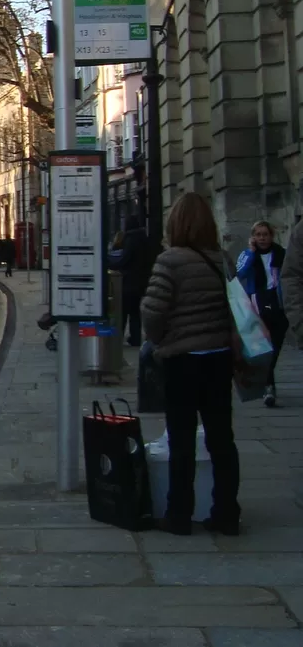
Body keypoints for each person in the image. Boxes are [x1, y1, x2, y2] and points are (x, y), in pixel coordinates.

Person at [140, 191, 240, 536]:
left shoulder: (171, 261)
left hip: (182, 361)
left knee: (181, 440)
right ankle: (226, 513)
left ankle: (179, 514)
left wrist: (158, 340)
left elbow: (152, 311)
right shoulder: (222, 259)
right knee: (221, 438)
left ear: (176, 224)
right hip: (218, 358)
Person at [237, 220, 288, 408]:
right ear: (253, 237)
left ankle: (267, 381)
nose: (262, 238)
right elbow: (239, 272)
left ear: (271, 236)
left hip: (279, 302)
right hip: (258, 302)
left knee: (276, 345)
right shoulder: (248, 254)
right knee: (266, 346)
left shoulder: (281, 253)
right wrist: (250, 252)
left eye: (265, 234)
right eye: (258, 234)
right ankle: (269, 386)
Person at [110, 214, 156, 348]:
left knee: (123, 311)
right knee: (135, 312)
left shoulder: (130, 239)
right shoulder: (143, 238)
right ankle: (135, 338)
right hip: (140, 281)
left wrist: (112, 264)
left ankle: (119, 336)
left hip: (128, 281)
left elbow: (125, 259)